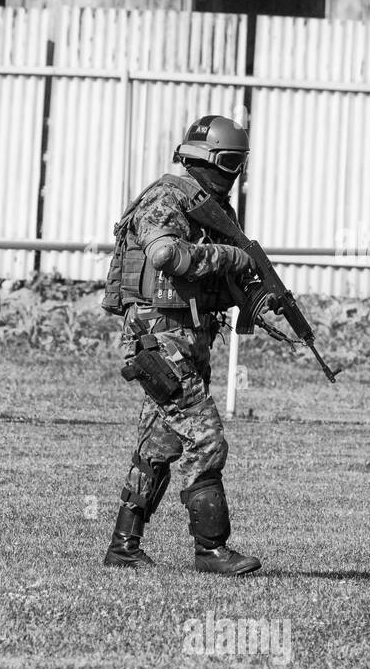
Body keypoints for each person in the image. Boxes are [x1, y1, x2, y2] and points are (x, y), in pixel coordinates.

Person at [102, 115, 261, 575]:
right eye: (229, 162)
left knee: (157, 444)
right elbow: (165, 253)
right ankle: (211, 549)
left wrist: (258, 297)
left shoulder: (214, 210)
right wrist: (230, 256)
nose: (234, 173)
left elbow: (224, 280)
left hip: (189, 344)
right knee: (207, 438)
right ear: (204, 160)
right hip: (159, 343)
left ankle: (123, 546)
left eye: (240, 163)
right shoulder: (167, 198)